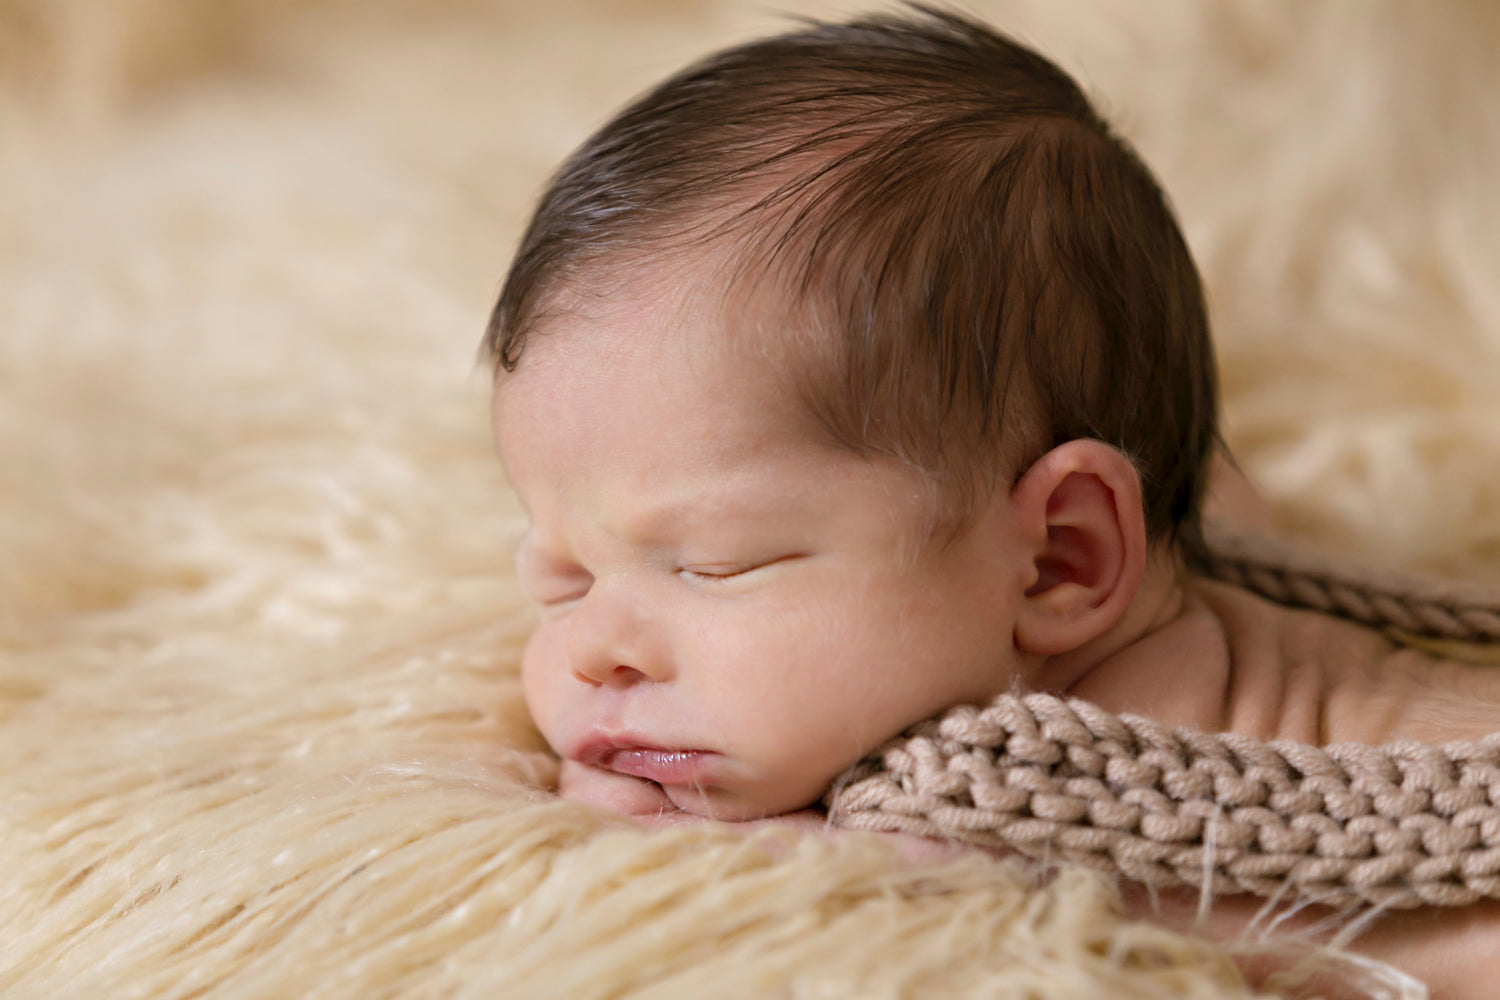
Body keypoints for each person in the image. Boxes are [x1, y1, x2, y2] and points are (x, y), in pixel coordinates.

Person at [484, 8, 1500, 994]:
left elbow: (798, 897)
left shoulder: (973, 828)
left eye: (718, 562)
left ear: (1064, 558)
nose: (593, 648)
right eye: (562, 575)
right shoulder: (1156, 585)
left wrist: (686, 838)